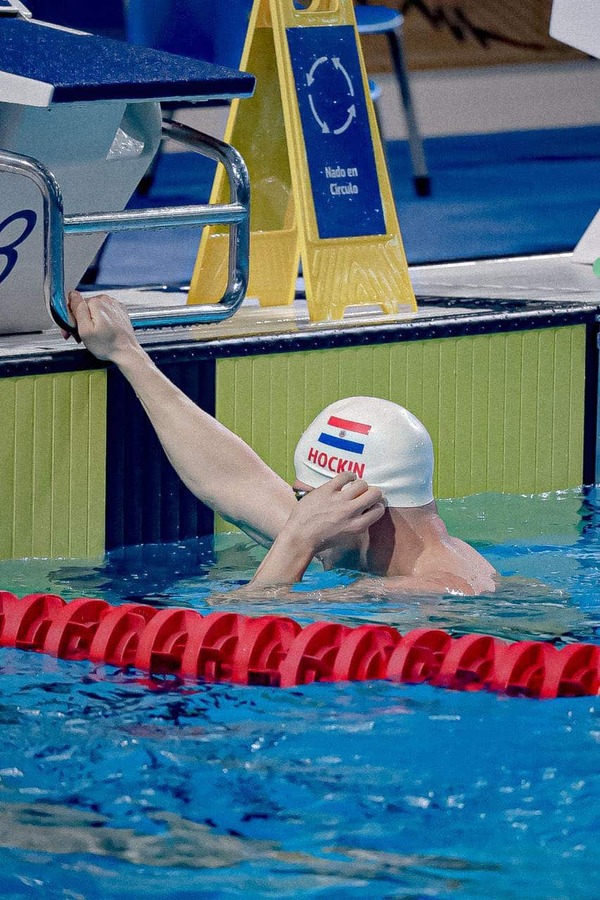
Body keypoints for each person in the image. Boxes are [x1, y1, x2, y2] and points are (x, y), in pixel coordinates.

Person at [65, 290, 498, 596]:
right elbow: (231, 480)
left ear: (357, 503)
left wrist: (297, 540)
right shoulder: (360, 545)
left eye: (305, 497)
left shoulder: (437, 592)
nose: (297, 510)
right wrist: (126, 351)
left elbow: (238, 624)